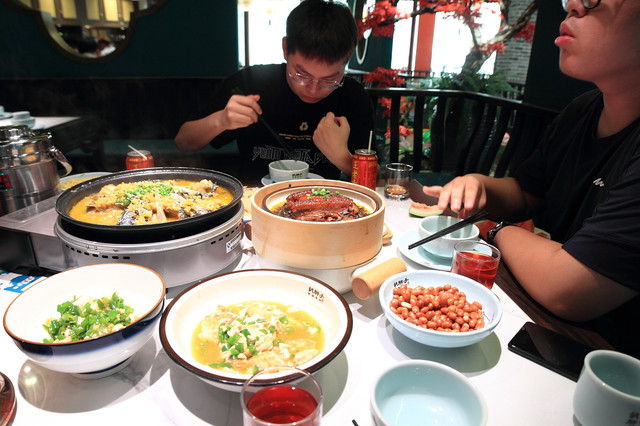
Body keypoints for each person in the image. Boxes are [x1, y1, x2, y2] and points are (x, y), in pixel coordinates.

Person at [424, 0, 640, 354]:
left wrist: (494, 227)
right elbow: (526, 192)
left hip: (607, 360)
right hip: (539, 326)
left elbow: (566, 287)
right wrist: (479, 184)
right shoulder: (583, 110)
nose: (573, 5)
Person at [174, 0, 373, 181]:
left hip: (327, 205)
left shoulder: (353, 96)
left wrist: (342, 157)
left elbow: (376, 176)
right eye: (301, 75)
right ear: (285, 48)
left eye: (329, 80)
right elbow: (183, 142)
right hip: (253, 202)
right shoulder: (250, 82)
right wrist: (221, 120)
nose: (313, 89)